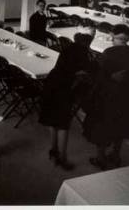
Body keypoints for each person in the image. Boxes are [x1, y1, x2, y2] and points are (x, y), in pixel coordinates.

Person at [83, 24, 129, 170]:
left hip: (107, 94)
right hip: (127, 94)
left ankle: (100, 158)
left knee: (102, 125)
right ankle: (116, 156)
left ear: (112, 36)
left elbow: (99, 75)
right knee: (121, 124)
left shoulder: (108, 52)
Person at [39, 27, 97, 170]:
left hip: (51, 85)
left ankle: (53, 150)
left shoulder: (68, 47)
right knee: (63, 124)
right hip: (63, 89)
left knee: (53, 121)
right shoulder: (83, 52)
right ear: (88, 40)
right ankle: (62, 159)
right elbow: (86, 74)